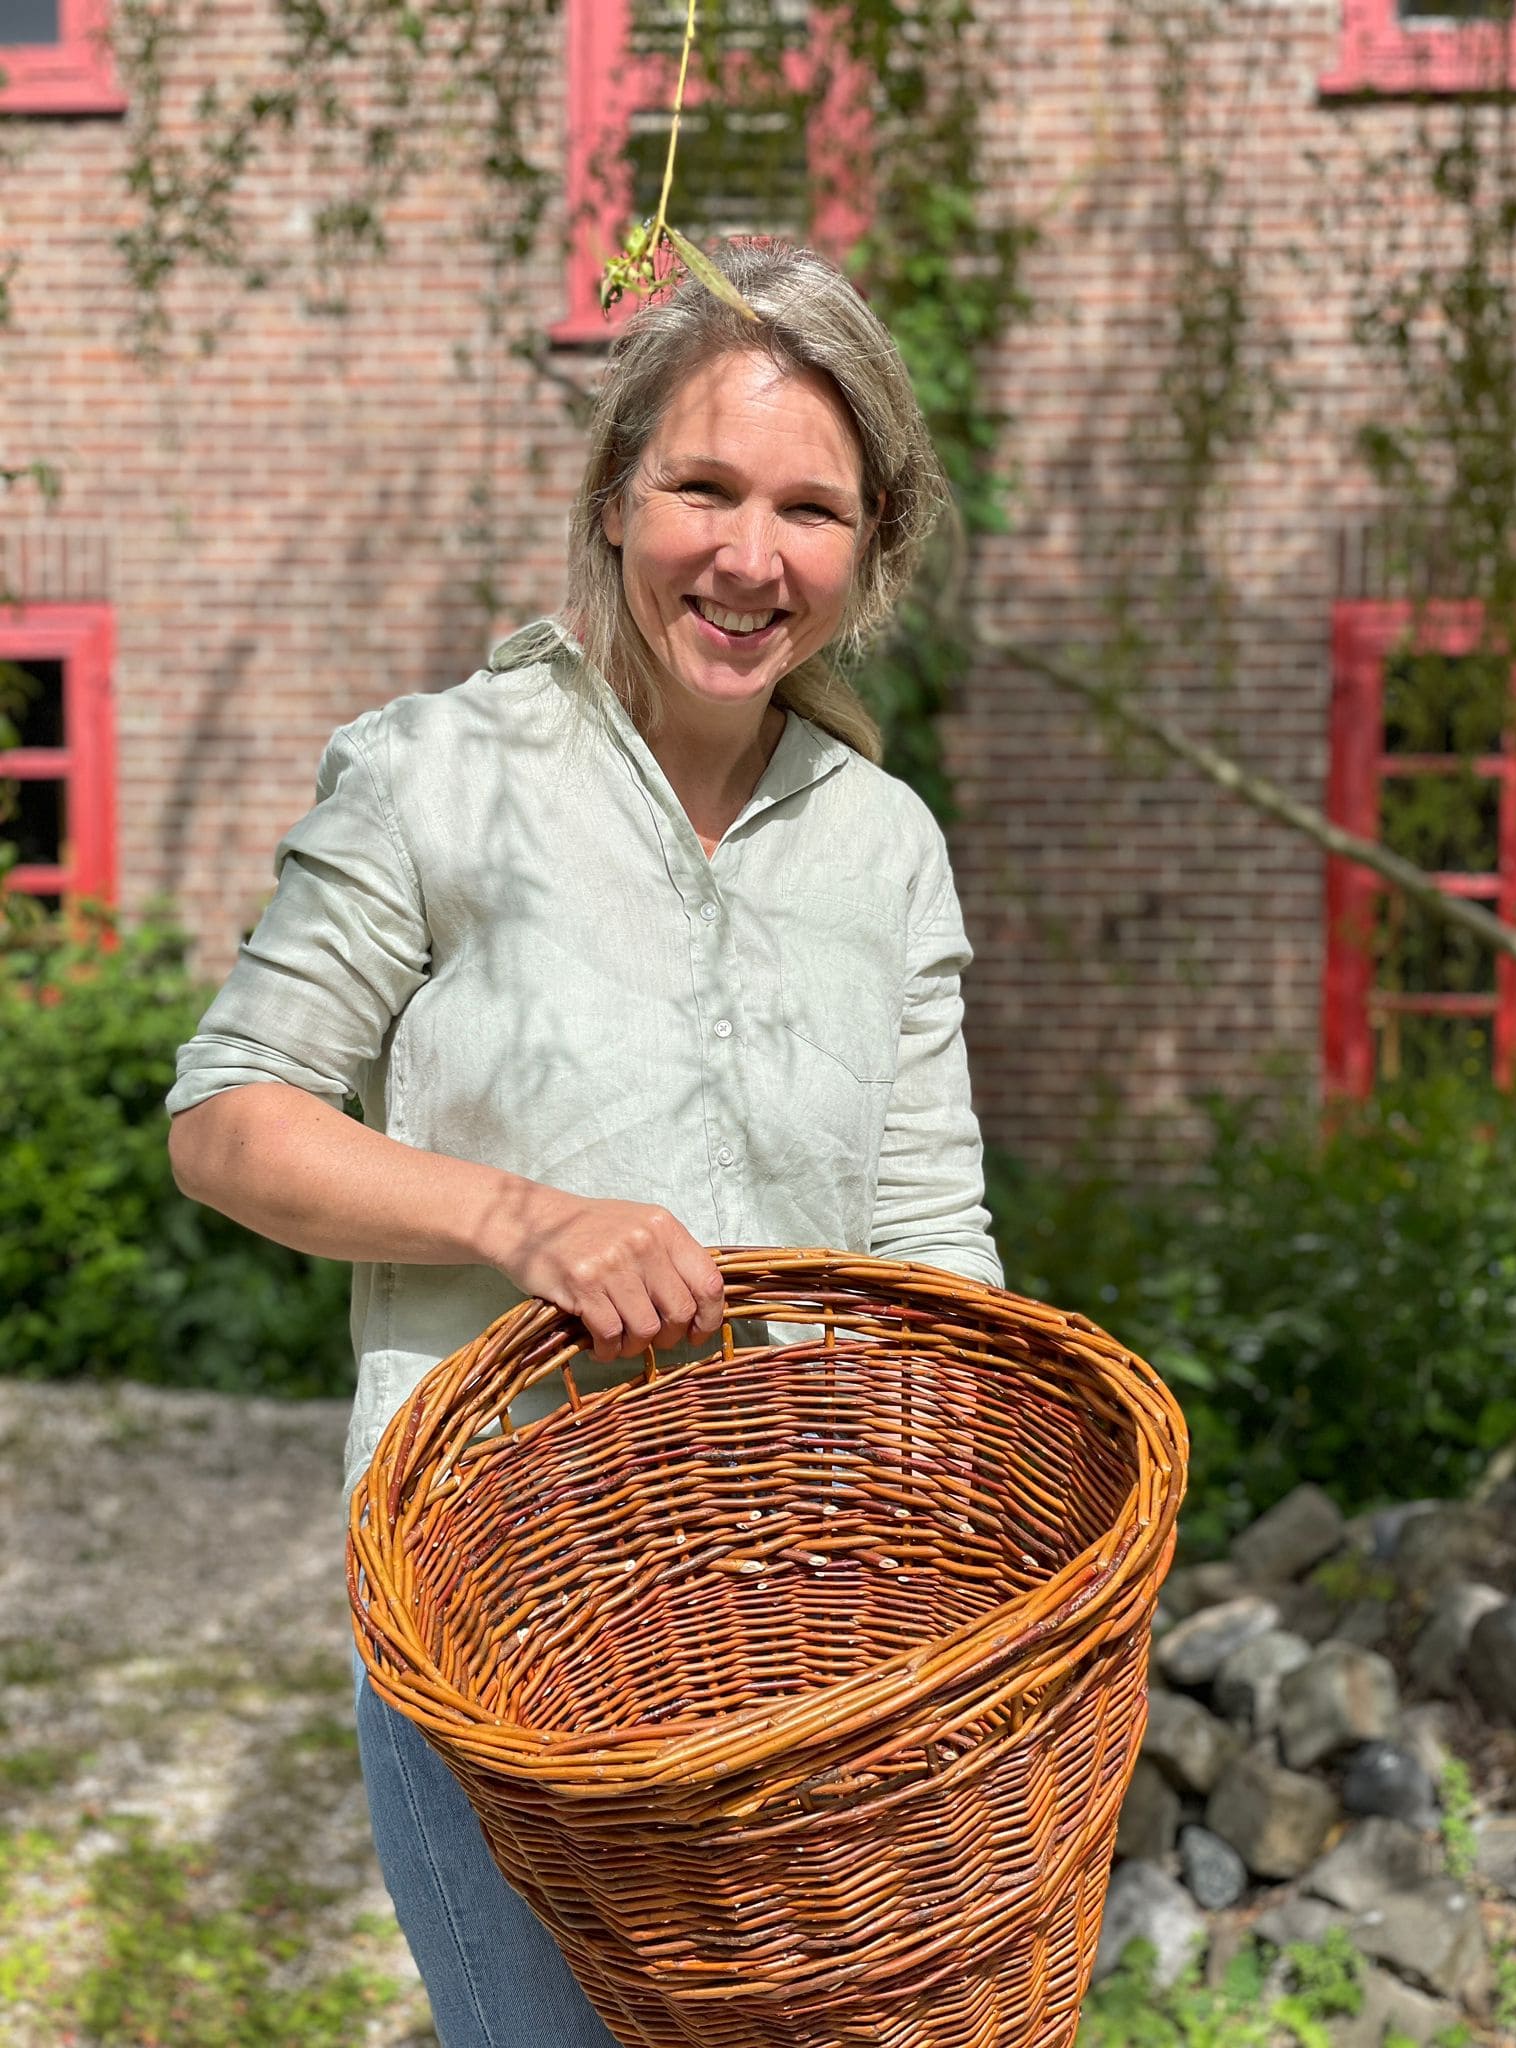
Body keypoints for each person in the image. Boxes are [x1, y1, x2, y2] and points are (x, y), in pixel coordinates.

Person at [166, 239, 1002, 2048]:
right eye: (703, 486)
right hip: (488, 1612)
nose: (748, 557)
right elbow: (228, 1120)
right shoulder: (436, 774)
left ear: (873, 548)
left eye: (810, 509)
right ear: (616, 494)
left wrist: (957, 1572)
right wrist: (521, 1219)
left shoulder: (884, 846)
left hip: (791, 1630)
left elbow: (934, 1245)